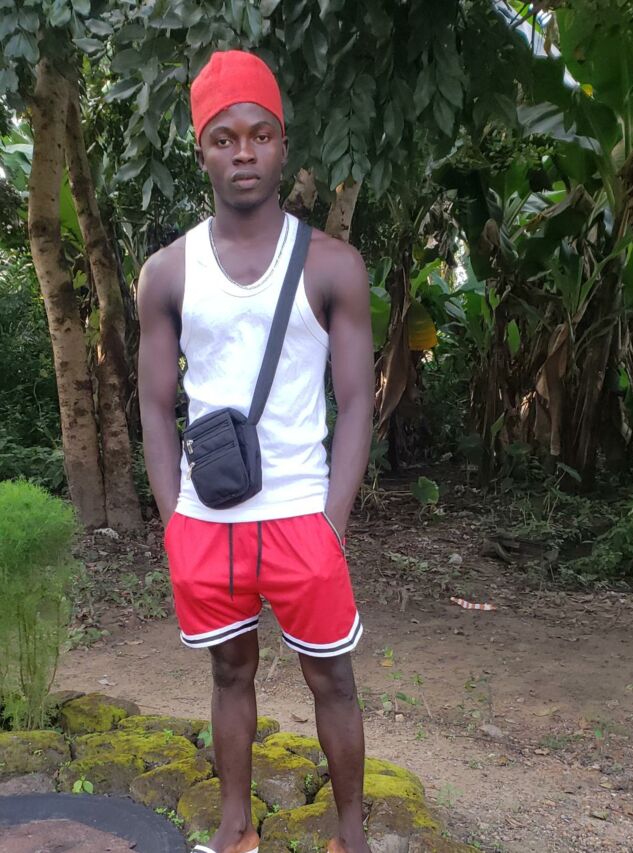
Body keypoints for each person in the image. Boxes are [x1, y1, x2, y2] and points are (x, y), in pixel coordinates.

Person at [137, 50, 374, 853]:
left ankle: (350, 839)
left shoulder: (334, 265)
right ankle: (236, 831)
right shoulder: (167, 272)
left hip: (302, 516)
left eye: (260, 135)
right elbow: (155, 403)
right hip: (208, 521)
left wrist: (333, 521)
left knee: (332, 677)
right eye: (225, 138)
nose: (244, 152)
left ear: (283, 145)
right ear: (202, 150)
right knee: (228, 672)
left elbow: (356, 402)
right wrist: (174, 517)